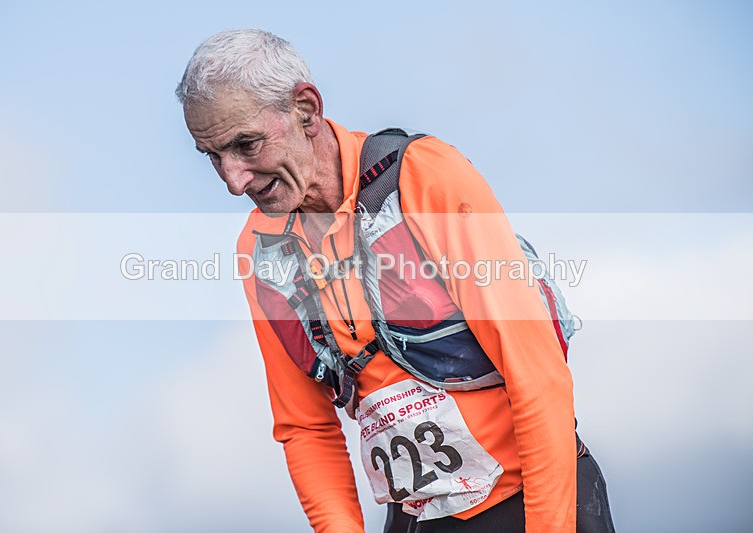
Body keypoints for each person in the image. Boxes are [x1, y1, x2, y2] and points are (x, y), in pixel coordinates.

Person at [176, 29, 614, 533]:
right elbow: (306, 428)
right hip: (413, 518)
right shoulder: (260, 248)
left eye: (246, 145)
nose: (234, 181)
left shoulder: (425, 176)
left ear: (306, 110)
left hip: (534, 500)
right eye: (213, 156)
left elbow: (535, 372)